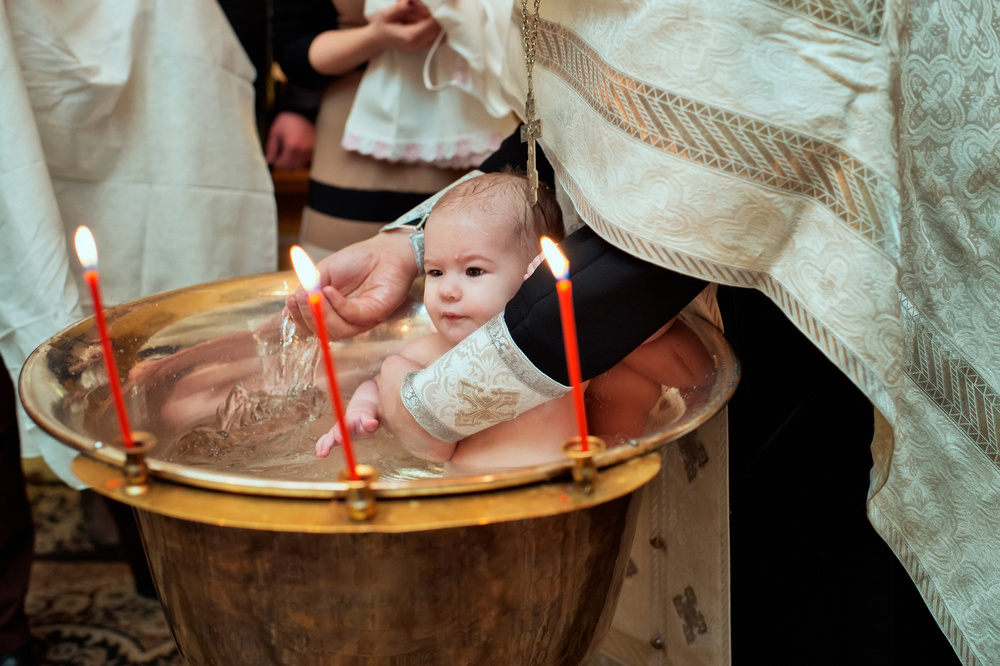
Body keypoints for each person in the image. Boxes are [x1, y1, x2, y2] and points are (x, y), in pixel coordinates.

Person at [285, 1, 998, 661]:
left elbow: (720, 178)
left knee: (819, 577)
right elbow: (570, 128)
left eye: (463, 276)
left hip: (841, 298)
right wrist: (410, 245)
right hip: (669, 334)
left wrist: (436, 404)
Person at [315, 171, 580, 471]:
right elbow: (377, 386)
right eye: (435, 272)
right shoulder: (428, 352)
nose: (447, 291)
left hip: (557, 488)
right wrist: (360, 411)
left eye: (473, 271)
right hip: (460, 493)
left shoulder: (562, 343)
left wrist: (547, 293)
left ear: (535, 274)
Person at [272, 0, 515, 260]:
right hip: (357, 140)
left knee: (474, 271)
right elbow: (292, 47)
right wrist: (374, 37)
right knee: (341, 274)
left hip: (480, 128)